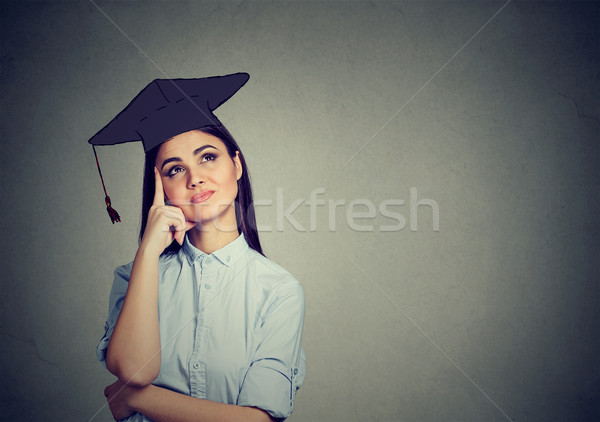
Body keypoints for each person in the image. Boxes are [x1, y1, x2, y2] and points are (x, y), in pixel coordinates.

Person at [91, 73, 306, 422]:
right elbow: (133, 370)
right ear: (160, 188)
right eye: (175, 169)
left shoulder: (278, 291)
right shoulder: (133, 277)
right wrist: (148, 250)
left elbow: (258, 420)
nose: (195, 178)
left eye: (207, 157)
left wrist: (136, 399)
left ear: (236, 164)